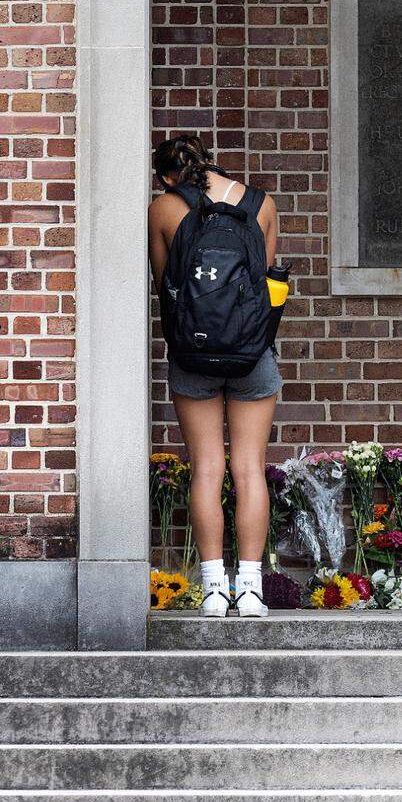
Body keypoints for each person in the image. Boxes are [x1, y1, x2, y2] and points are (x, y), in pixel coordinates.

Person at [148, 134, 281, 619]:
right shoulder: (261, 204)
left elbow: (166, 284)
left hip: (192, 355)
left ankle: (212, 589)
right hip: (252, 355)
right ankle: (250, 589)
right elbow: (266, 283)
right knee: (249, 468)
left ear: (166, 176)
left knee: (207, 468)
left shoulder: (163, 208)